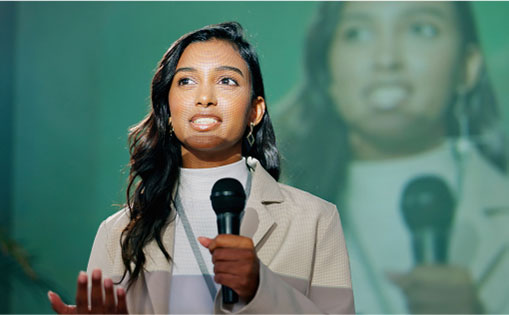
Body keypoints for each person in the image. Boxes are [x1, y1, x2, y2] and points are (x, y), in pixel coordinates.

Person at [47, 22, 355, 314]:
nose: (204, 98)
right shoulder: (119, 232)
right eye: (186, 81)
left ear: (255, 111)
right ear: (167, 111)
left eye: (226, 81)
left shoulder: (315, 220)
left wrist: (261, 287)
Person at [275, 2, 509, 314]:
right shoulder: (258, 216)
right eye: (357, 33)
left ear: (467, 66)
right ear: (326, 71)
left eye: (420, 30)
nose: (386, 60)